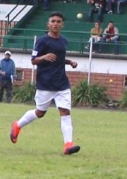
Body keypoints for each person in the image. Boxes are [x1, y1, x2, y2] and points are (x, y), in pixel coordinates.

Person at [10, 12, 80, 156]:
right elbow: (33, 60)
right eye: (53, 21)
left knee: (65, 112)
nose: (55, 23)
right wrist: (44, 57)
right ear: (48, 24)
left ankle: (68, 145)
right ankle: (17, 125)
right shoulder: (42, 41)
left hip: (62, 84)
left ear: (62, 25)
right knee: (40, 112)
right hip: (45, 83)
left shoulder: (63, 41)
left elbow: (59, 58)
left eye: (58, 21)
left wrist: (69, 62)